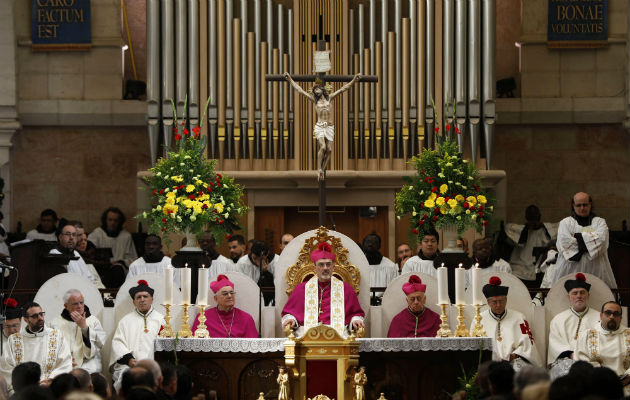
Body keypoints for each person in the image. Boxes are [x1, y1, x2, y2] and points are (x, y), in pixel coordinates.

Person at [285, 72, 362, 181]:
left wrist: (354, 80)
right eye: (314, 90)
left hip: (329, 127)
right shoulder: (314, 101)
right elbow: (300, 90)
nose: (316, 91)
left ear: (322, 89)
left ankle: (322, 170)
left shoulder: (330, 98)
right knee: (323, 147)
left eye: (317, 89)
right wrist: (290, 80)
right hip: (320, 126)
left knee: (329, 150)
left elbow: (343, 89)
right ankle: (318, 170)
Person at [281, 242, 365, 337]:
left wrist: (356, 320)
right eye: (321, 265)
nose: (325, 268)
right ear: (315, 268)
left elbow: (356, 313)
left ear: (333, 267)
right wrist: (291, 320)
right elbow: (289, 313)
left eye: (328, 264)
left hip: (338, 336)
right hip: (307, 336)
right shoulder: (301, 289)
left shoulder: (346, 289)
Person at [546, 192, 616, 288]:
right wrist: (590, 241)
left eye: (585, 205)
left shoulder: (600, 222)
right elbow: (565, 245)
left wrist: (576, 236)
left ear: (590, 204)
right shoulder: (565, 223)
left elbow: (601, 242)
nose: (582, 208)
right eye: (578, 205)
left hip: (596, 270)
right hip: (569, 270)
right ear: (573, 206)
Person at [473, 276, 540, 368]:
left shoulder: (519, 318)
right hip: (488, 363)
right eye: (494, 302)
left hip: (514, 361)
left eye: (501, 301)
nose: (499, 305)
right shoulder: (479, 319)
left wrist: (514, 355)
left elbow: (527, 344)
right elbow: (473, 345)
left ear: (506, 300)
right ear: (488, 302)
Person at [0, 302, 72, 386]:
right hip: (24, 389)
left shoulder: (57, 336)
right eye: (35, 316)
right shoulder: (13, 339)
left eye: (41, 314)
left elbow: (65, 363)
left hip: (50, 386)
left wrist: (49, 380)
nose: (40, 318)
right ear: (26, 319)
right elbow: (6, 367)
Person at [109, 280, 164, 387]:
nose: (142, 300)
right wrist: (129, 360)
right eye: (138, 297)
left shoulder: (161, 320)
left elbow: (165, 343)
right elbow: (118, 343)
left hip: (154, 365)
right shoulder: (125, 321)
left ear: (152, 299)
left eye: (145, 296)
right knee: (126, 378)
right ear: (134, 302)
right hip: (130, 365)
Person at [547, 273, 600, 367]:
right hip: (567, 362)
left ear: (588, 296)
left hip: (593, 362)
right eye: (575, 293)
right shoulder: (558, 320)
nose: (579, 296)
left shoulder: (599, 318)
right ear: (569, 297)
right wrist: (573, 356)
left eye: (582, 292)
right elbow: (556, 344)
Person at [575, 301, 630, 390]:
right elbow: (581, 361)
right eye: (608, 313)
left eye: (616, 314)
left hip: (626, 384)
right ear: (601, 316)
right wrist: (602, 378)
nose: (612, 316)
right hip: (596, 384)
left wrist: (628, 377)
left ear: (620, 318)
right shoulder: (586, 335)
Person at [50, 289, 107, 373]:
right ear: (66, 306)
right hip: (64, 362)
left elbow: (100, 343)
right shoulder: (55, 323)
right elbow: (52, 347)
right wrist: (64, 360)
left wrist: (84, 327)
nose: (79, 306)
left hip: (88, 362)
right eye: (75, 304)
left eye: (81, 302)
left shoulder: (93, 321)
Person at [191, 275, 258, 338]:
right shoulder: (202, 318)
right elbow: (195, 343)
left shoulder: (246, 318)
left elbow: (253, 345)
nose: (229, 296)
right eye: (225, 293)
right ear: (216, 299)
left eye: (232, 293)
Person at [505, 205, 558, 284]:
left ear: (539, 217)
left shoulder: (546, 230)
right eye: (531, 218)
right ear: (526, 217)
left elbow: (559, 228)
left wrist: (542, 225)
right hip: (520, 269)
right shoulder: (519, 231)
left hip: (540, 269)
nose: (533, 221)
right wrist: (526, 227)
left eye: (535, 217)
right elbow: (512, 233)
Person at [49, 222, 102, 287]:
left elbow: (89, 277)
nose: (71, 237)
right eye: (68, 234)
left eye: (74, 235)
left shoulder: (76, 253)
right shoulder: (54, 253)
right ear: (60, 237)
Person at [88, 207, 138, 271]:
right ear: (105, 220)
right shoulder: (97, 234)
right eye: (110, 220)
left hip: (120, 269)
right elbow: (89, 255)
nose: (112, 223)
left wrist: (121, 262)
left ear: (120, 222)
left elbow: (133, 259)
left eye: (115, 220)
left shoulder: (126, 236)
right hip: (101, 268)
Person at [237, 240, 277, 306]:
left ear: (267, 254)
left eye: (260, 259)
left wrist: (265, 273)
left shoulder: (277, 262)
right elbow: (240, 285)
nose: (256, 262)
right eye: (254, 258)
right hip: (248, 300)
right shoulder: (242, 263)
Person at [362, 233, 397, 301]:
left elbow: (394, 289)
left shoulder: (390, 266)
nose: (370, 244)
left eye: (374, 242)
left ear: (379, 246)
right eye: (368, 242)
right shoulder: (358, 265)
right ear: (363, 244)